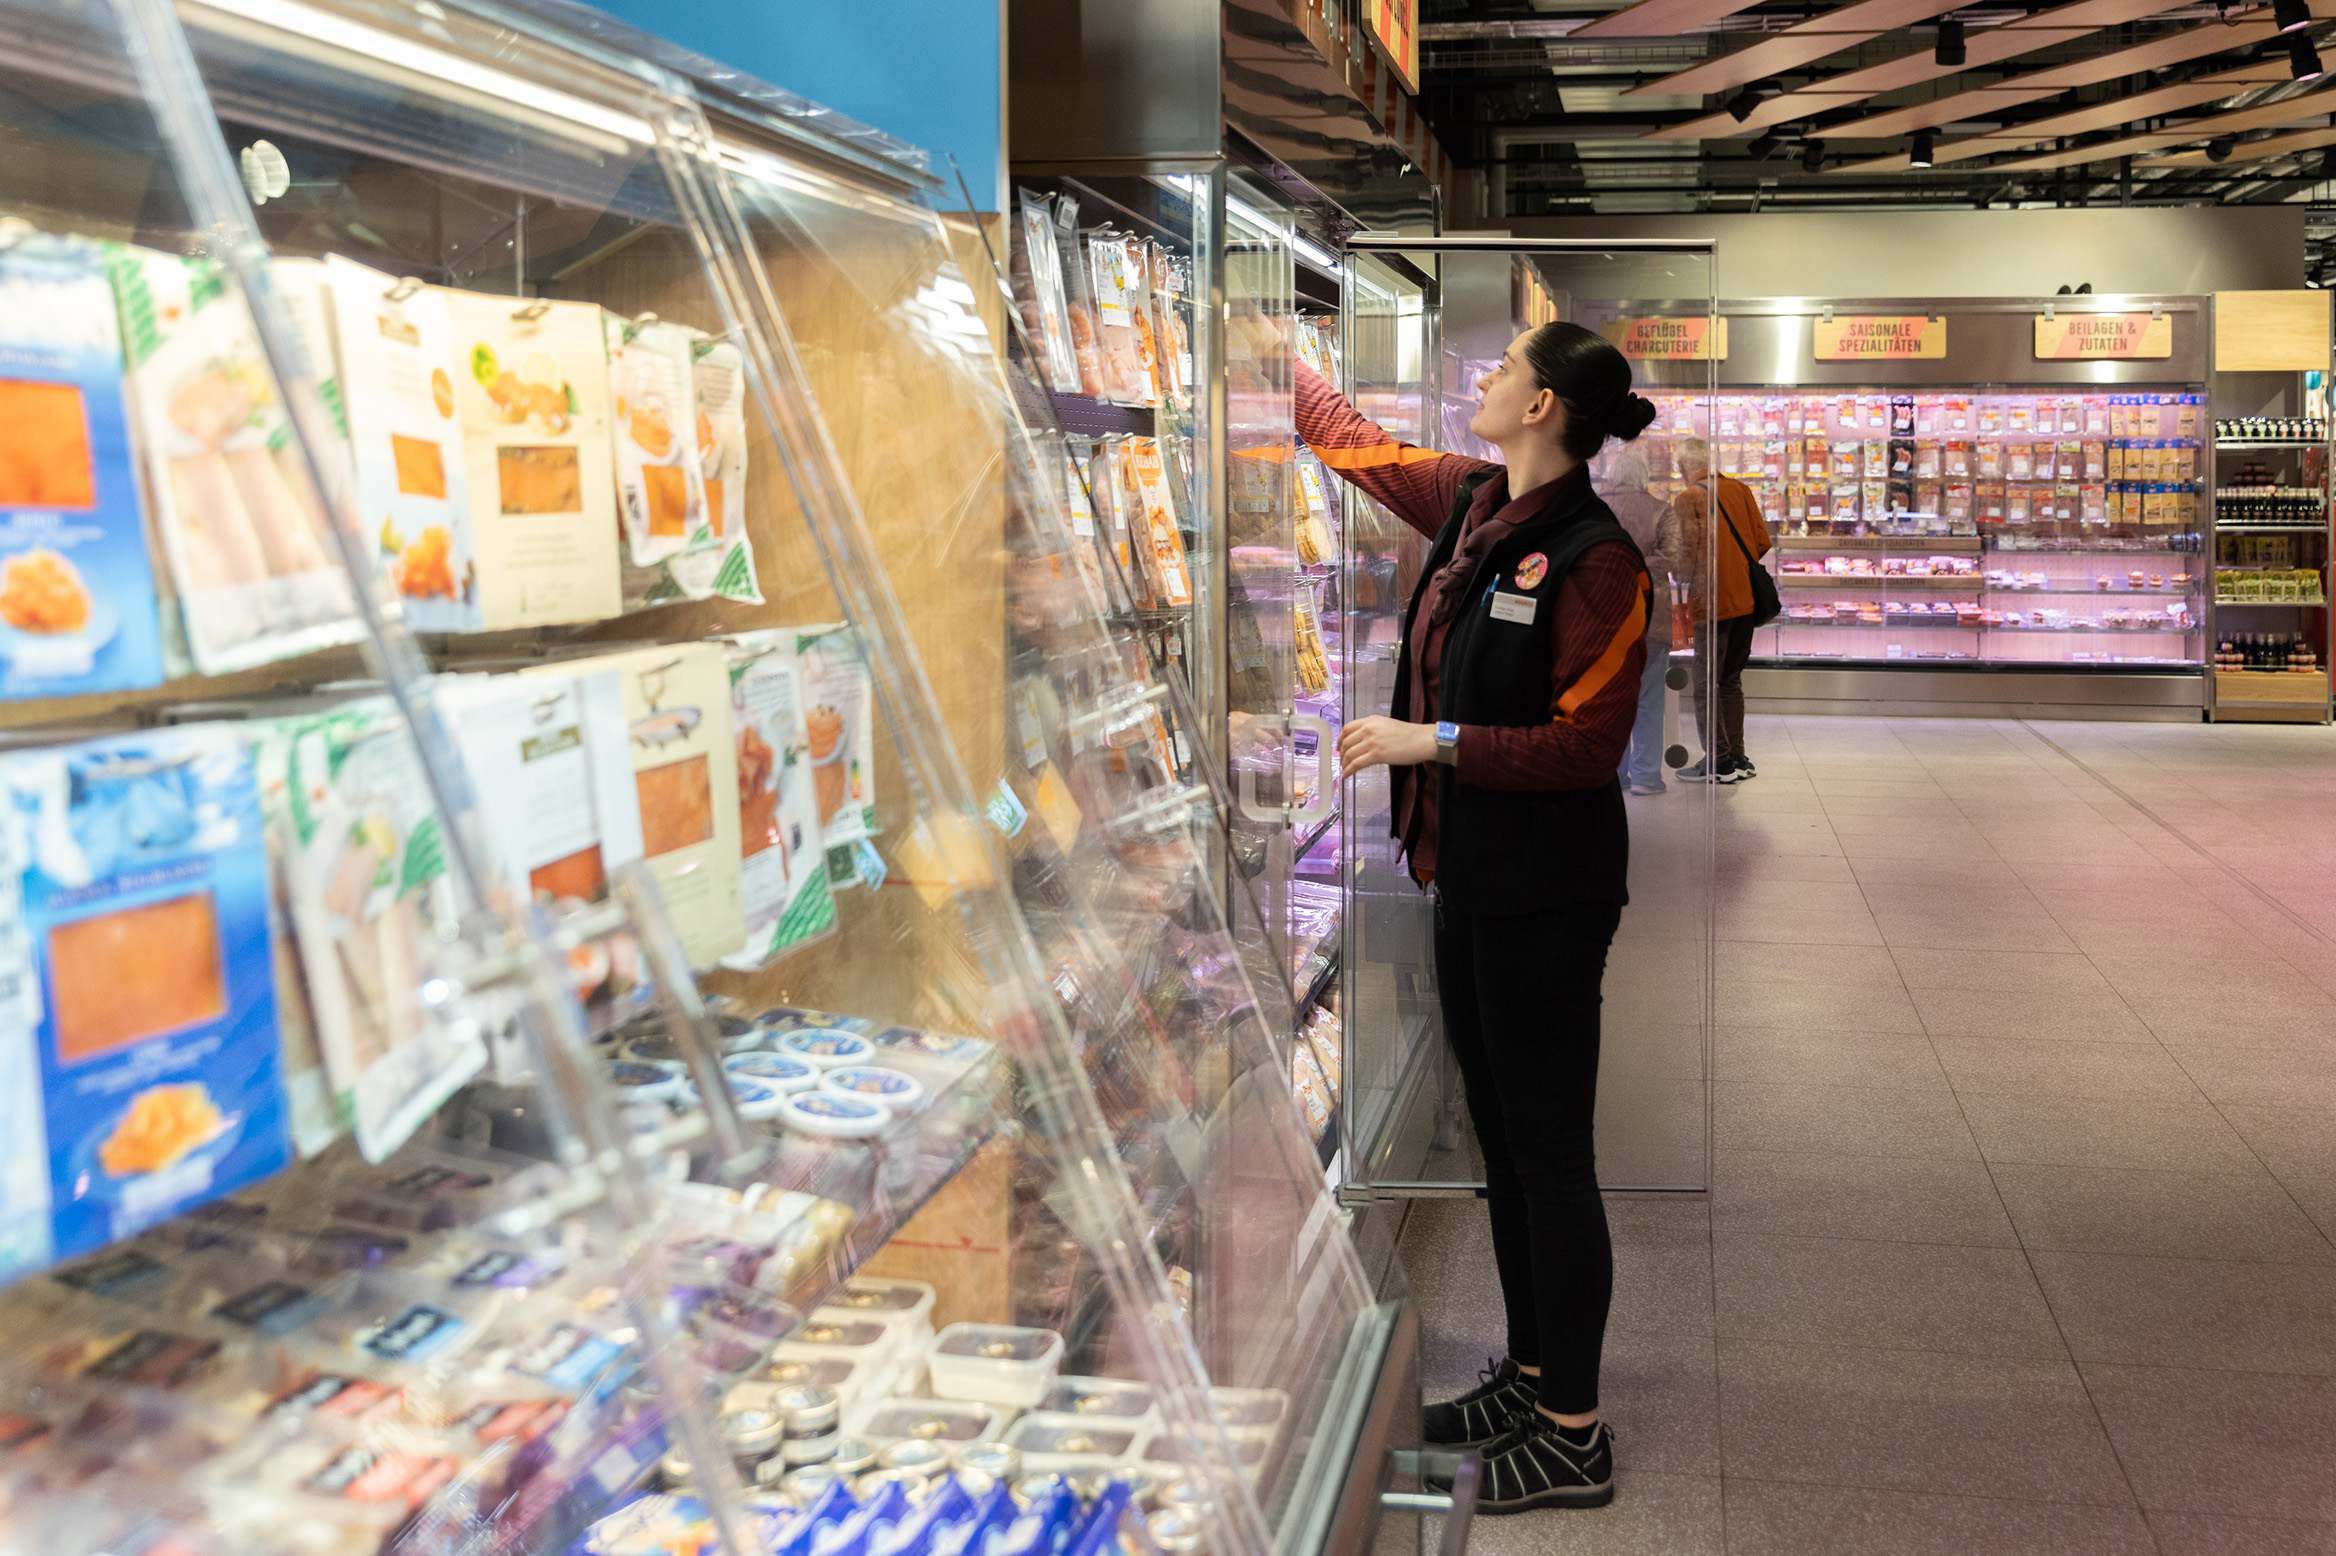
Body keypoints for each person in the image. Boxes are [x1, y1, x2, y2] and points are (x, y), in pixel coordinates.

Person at [1297, 320, 1655, 1514]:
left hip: (1547, 889)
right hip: (1465, 873)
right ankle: (1533, 1370)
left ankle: (1573, 1431)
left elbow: (1582, 746)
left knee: (1549, 1151)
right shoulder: (1468, 500)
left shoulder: (1599, 560)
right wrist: (1264, 362)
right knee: (1500, 1143)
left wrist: (1429, 739)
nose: (1483, 382)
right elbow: (1354, 447)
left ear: (1545, 405)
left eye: (1503, 370)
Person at [1671, 438, 1772, 783]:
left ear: (1683, 467)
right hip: (1746, 601)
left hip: (1710, 603)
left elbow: (1685, 561)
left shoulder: (1688, 498)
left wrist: (1680, 574)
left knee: (1705, 684)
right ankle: (1738, 756)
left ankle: (1717, 761)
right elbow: (1762, 542)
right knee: (1729, 681)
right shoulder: (1739, 490)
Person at [1596, 451, 1679, 796]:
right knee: (1649, 696)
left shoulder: (1596, 508)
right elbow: (1672, 557)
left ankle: (1614, 773)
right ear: (1643, 476)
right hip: (1650, 614)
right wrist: (1639, 565)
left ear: (1614, 476)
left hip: (1600, 613)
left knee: (1608, 696)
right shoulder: (1662, 510)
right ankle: (1645, 774)